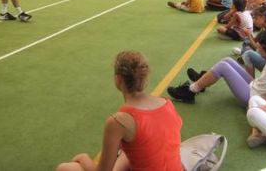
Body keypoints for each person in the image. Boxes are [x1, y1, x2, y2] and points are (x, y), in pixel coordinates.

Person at [56, 51, 184, 171]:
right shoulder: (167, 103)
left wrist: (84, 159)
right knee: (129, 150)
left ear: (118, 79)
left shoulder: (118, 121)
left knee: (65, 168)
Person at [167, 29, 266, 106]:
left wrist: (259, 102)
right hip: (254, 87)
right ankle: (201, 81)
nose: (257, 46)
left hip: (250, 96)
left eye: (260, 45)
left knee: (223, 67)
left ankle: (191, 91)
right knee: (227, 60)